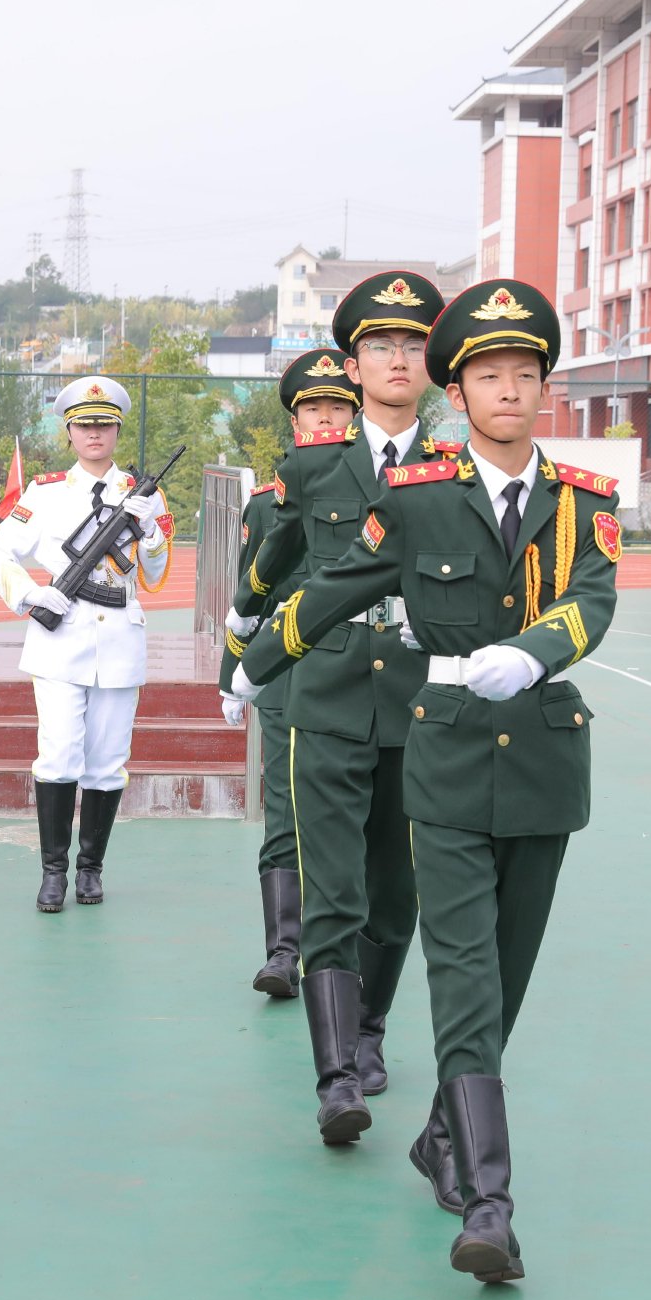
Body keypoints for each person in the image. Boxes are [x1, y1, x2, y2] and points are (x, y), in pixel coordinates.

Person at [230, 278, 619, 1283]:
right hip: (439, 749)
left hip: (538, 756)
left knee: (506, 971)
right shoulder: (417, 501)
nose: (505, 388)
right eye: (486, 373)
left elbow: (589, 601)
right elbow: (330, 589)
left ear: (542, 389)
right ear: (462, 387)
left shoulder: (582, 503)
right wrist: (253, 660)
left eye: (521, 373)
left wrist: (532, 653)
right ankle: (487, 1202)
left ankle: (443, 1132)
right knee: (460, 972)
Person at [229, 271, 447, 1144]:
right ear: (353, 369)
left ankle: (370, 1030)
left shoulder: (456, 474)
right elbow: (266, 576)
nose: (397, 359)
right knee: (334, 891)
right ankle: (335, 1078)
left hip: (421, 703)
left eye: (412, 345)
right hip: (322, 697)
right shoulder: (314, 469)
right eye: (379, 347)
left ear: (433, 365)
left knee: (396, 896)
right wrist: (247, 649)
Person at [0, 376, 171, 913]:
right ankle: (54, 871)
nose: (94, 433)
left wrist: (151, 530)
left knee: (107, 762)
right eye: (84, 425)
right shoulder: (42, 494)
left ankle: (92, 870)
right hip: (59, 636)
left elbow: (154, 575)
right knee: (59, 755)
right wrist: (32, 595)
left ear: (116, 430)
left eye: (104, 424)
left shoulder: (141, 494)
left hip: (118, 638)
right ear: (68, 432)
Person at [217, 348, 359, 999]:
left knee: (355, 819)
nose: (325, 419)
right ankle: (282, 949)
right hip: (283, 676)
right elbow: (249, 598)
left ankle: (345, 955)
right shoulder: (266, 507)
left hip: (359, 676)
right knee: (285, 814)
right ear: (295, 420)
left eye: (337, 407)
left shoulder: (389, 494)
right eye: (313, 409)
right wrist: (232, 675)